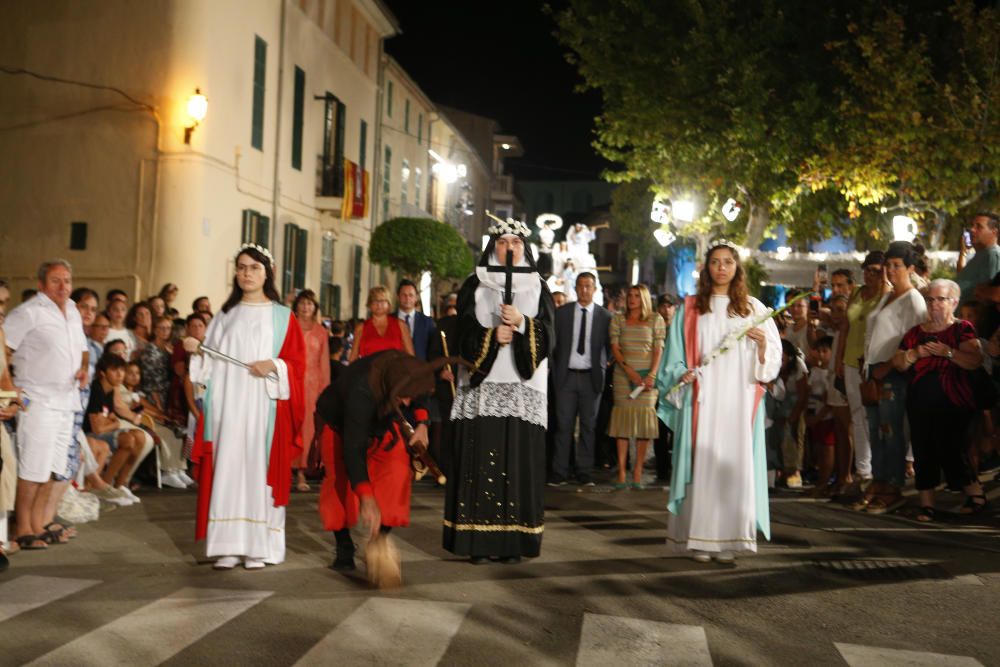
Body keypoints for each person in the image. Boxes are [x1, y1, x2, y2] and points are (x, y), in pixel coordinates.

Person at [656, 241, 781, 563]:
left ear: (737, 267)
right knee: (703, 465)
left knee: (732, 468)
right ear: (707, 268)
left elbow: (771, 364)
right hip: (704, 401)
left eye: (727, 262)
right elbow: (673, 357)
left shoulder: (754, 309)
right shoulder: (693, 308)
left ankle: (729, 542)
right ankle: (699, 540)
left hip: (738, 402)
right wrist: (681, 374)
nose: (721, 267)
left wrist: (764, 345)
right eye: (715, 262)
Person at [443, 217, 555, 564]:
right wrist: (492, 337)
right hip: (483, 385)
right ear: (494, 246)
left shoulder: (538, 285)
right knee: (478, 460)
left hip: (522, 387)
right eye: (504, 242)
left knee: (518, 460)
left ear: (525, 248)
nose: (510, 247)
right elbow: (460, 330)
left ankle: (513, 542)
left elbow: (551, 335)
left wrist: (522, 324)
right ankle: (475, 540)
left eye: (517, 243)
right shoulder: (475, 282)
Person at [186, 244, 305, 570]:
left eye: (253, 267)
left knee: (256, 468)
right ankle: (227, 546)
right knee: (228, 468)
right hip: (227, 407)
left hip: (263, 408)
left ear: (267, 273)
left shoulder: (283, 316)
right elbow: (207, 365)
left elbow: (296, 365)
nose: (246, 273)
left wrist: (274, 366)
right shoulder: (225, 316)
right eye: (241, 267)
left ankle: (258, 547)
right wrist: (196, 351)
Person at [316, 349, 443, 571]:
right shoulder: (360, 392)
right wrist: (366, 496)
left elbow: (419, 390)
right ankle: (344, 545)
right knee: (341, 484)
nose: (407, 402)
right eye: (403, 397)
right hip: (340, 425)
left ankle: (379, 539)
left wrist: (422, 423)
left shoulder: (408, 369)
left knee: (397, 472)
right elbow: (353, 450)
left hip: (383, 423)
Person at [4, 260, 89, 551]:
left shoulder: (74, 310)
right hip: (37, 399)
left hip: (67, 400)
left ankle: (39, 523)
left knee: (52, 469)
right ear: (41, 284)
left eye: (67, 280)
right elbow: (4, 348)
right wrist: (11, 389)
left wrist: (83, 368)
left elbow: (81, 348)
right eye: (55, 281)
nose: (63, 286)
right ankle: (22, 527)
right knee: (33, 468)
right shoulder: (28, 313)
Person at [892, 279, 987, 520]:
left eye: (940, 299)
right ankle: (927, 504)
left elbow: (974, 360)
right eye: (930, 299)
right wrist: (915, 353)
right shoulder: (916, 333)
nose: (934, 304)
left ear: (954, 302)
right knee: (923, 447)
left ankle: (974, 492)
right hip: (919, 400)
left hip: (954, 400)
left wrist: (948, 352)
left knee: (950, 446)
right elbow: (899, 362)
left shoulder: (961, 329)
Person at [856, 241, 927, 514]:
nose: (891, 271)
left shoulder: (914, 299)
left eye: (897, 266)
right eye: (888, 265)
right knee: (876, 431)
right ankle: (880, 479)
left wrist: (891, 363)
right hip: (873, 370)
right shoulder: (887, 295)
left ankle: (894, 486)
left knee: (891, 430)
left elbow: (916, 336)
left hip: (895, 372)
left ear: (910, 268)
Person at [550, 272, 611, 486]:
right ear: (575, 289)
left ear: (595, 289)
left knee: (588, 427)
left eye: (588, 286)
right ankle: (560, 471)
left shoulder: (605, 317)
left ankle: (584, 472)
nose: (584, 290)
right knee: (563, 426)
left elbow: (610, 347)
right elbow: (554, 345)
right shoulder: (563, 314)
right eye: (581, 286)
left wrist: (604, 365)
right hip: (566, 377)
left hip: (590, 378)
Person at [608, 284, 666, 489]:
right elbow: (615, 348)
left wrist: (651, 374)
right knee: (622, 424)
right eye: (630, 295)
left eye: (636, 296)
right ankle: (622, 472)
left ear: (644, 299)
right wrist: (628, 371)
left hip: (647, 378)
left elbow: (659, 349)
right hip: (624, 376)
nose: (632, 299)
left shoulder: (655, 319)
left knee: (643, 425)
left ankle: (638, 470)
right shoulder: (618, 319)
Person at [837, 251, 888, 488]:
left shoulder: (886, 294)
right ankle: (863, 470)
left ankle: (878, 469)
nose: (870, 275)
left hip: (871, 362)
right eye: (867, 270)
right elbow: (845, 327)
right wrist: (838, 359)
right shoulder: (857, 292)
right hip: (849, 359)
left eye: (876, 271)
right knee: (857, 415)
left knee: (874, 416)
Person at [138, 316, 191, 489]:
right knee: (168, 429)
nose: (165, 331)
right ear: (154, 329)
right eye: (161, 327)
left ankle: (178, 468)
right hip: (155, 398)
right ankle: (169, 470)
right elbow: (151, 383)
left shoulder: (167, 349)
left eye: (168, 328)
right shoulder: (150, 351)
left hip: (169, 395)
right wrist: (160, 407)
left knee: (180, 430)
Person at [86, 354, 147, 497]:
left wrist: (112, 422)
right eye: (114, 370)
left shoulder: (111, 389)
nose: (120, 374)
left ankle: (120, 484)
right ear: (102, 372)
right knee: (127, 440)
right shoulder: (96, 389)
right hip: (89, 434)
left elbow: (111, 417)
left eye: (121, 370)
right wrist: (113, 424)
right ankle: (106, 486)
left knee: (140, 436)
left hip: (102, 431)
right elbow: (97, 428)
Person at [292, 289, 330, 492]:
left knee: (308, 430)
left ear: (315, 307)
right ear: (296, 305)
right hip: (290, 382)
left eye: (310, 304)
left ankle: (301, 472)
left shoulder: (321, 331)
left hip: (313, 386)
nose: (306, 307)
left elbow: (324, 363)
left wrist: (325, 391)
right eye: (303, 303)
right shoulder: (288, 327)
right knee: (289, 426)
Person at [348, 286, 415, 362]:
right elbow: (353, 358)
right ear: (369, 304)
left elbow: (411, 356)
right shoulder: (361, 328)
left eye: (383, 301)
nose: (379, 305)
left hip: (395, 372)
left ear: (389, 304)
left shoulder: (401, 325)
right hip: (368, 371)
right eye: (375, 301)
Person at [957, 212, 1000, 309]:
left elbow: (988, 296)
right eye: (972, 225)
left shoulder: (993, 255)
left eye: (979, 227)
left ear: (994, 232)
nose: (972, 229)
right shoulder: (981, 254)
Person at [395, 279, 437, 361]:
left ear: (416, 298)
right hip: (393, 370)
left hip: (420, 369)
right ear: (398, 297)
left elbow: (433, 349)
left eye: (411, 295)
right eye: (404, 295)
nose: (407, 298)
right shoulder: (389, 319)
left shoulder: (427, 322)